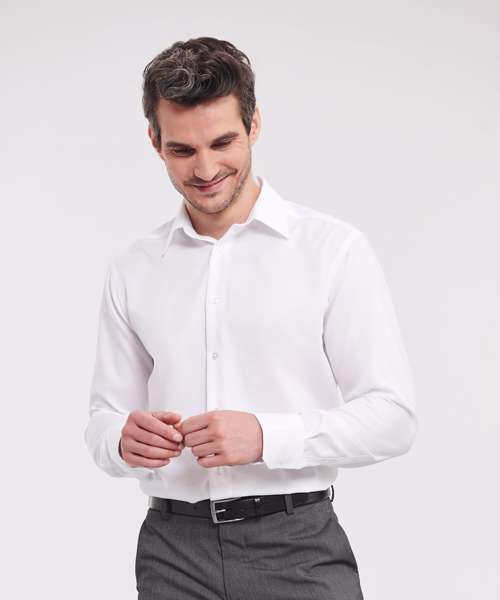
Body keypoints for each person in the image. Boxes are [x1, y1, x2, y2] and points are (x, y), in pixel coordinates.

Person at [84, 36, 417, 600]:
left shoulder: (332, 250)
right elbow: (102, 419)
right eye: (182, 150)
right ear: (154, 142)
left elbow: (393, 417)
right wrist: (121, 439)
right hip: (171, 552)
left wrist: (267, 436)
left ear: (254, 124)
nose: (206, 168)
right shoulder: (133, 268)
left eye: (223, 142)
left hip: (296, 546)